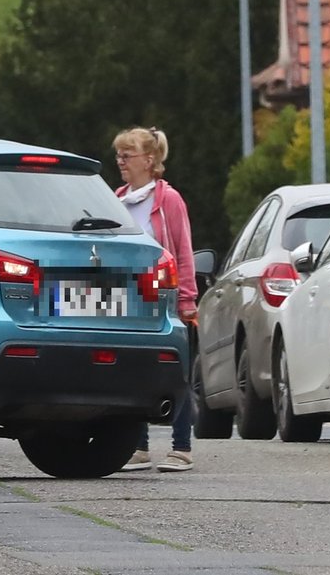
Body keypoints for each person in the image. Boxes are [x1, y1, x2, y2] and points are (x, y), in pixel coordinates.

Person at [113, 127, 198, 473]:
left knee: (175, 373)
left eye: (126, 155)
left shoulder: (169, 200)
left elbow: (183, 250)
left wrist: (188, 299)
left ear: (149, 160)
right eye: (118, 155)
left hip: (164, 298)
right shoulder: (116, 199)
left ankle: (182, 447)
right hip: (126, 299)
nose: (120, 162)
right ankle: (138, 447)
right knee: (131, 372)